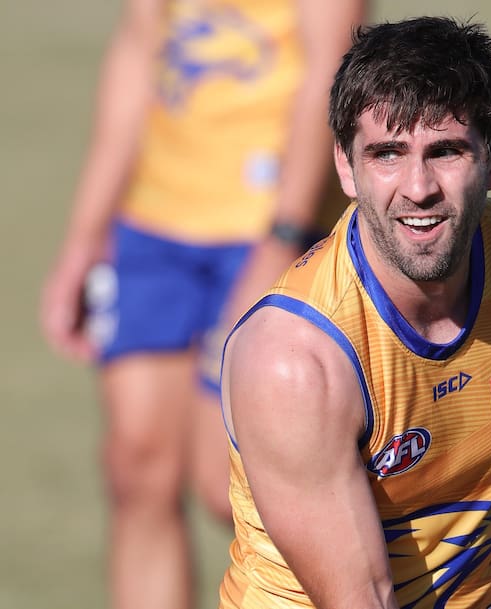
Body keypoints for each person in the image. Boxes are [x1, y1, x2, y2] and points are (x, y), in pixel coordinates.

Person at [218, 15, 491, 609]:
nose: (418, 187)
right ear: (346, 168)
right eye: (388, 154)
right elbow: (361, 597)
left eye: (445, 151)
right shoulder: (296, 359)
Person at [39, 1, 365, 608]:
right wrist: (85, 235)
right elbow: (140, 50)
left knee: (236, 487)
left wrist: (285, 237)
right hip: (152, 227)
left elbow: (333, 66)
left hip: (265, 227)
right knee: (137, 470)